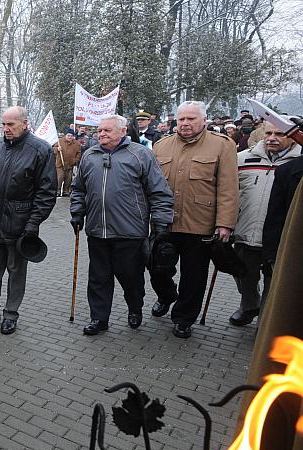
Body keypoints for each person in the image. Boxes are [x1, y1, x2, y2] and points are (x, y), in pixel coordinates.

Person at [70, 115, 173, 335]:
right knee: (98, 278)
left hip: (130, 231)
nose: (101, 134)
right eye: (99, 130)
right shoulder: (89, 155)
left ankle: (135, 308)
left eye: (107, 130)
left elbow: (159, 191)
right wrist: (77, 211)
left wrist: (161, 222)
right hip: (97, 230)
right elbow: (78, 188)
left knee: (131, 277)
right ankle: (99, 318)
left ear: (123, 131)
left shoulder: (140, 154)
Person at [151, 100, 239, 338]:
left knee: (194, 276)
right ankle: (166, 295)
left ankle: (183, 318)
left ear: (204, 120)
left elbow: (229, 188)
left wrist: (225, 223)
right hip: (165, 222)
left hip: (200, 223)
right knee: (157, 268)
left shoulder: (222, 145)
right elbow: (150, 185)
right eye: (181, 119)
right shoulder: (161, 146)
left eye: (191, 119)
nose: (185, 123)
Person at [0, 106, 57, 335]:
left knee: (16, 270)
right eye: (4, 124)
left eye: (11, 124)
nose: (6, 129)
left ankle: (10, 314)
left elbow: (46, 193)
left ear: (25, 123)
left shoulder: (40, 150)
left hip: (21, 224)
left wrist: (32, 224)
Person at [230, 123, 301, 326]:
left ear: (293, 136)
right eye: (268, 133)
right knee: (243, 275)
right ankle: (250, 305)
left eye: (279, 134)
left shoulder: (298, 163)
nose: (271, 138)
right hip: (246, 231)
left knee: (274, 282)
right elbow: (228, 192)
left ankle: (265, 322)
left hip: (281, 238)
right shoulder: (242, 158)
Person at [52, 128, 81, 196]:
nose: (69, 137)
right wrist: (57, 149)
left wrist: (75, 160)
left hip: (70, 164)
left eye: (71, 136)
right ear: (66, 135)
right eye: (68, 135)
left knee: (68, 179)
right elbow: (52, 149)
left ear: (73, 136)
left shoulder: (76, 143)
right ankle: (57, 190)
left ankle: (66, 191)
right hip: (60, 163)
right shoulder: (59, 141)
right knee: (59, 178)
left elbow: (79, 153)